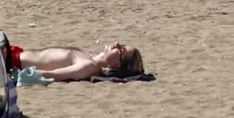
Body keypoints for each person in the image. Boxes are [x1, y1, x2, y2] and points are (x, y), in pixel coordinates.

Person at [15, 42, 144, 82]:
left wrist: (12, 76)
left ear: (117, 64)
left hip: (12, 62)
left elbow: (51, 74)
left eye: (121, 49)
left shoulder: (88, 66)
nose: (116, 44)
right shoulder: (91, 57)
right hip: (16, 53)